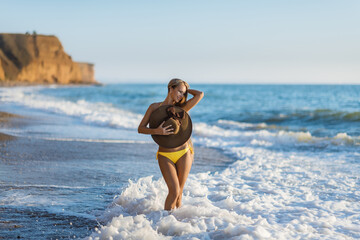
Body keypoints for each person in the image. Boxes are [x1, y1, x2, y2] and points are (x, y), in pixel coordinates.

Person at [138, 78, 204, 210]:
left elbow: (200, 94)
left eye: (183, 94)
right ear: (170, 89)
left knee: (179, 194)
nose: (181, 96)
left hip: (184, 153)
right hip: (165, 154)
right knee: (173, 191)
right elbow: (141, 129)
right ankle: (164, 222)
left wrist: (185, 88)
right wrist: (157, 131)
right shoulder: (154, 107)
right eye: (179, 91)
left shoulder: (182, 108)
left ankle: (175, 226)